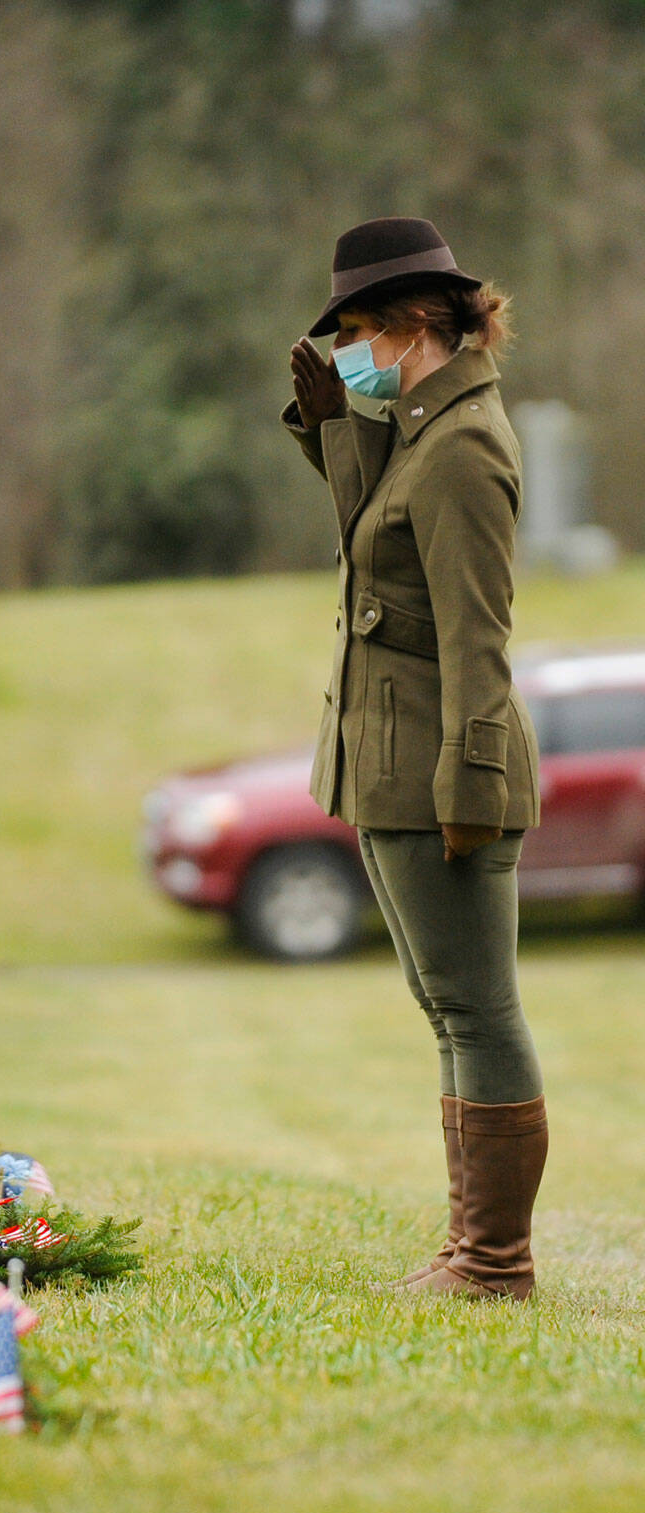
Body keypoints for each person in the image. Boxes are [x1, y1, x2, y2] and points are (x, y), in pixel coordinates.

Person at [282, 216, 547, 1300]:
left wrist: (470, 791)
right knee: (445, 1006)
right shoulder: (421, 430)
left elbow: (477, 636)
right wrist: (330, 427)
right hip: (388, 762)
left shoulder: (464, 447)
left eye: (354, 334)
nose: (347, 352)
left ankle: (494, 1263)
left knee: (476, 1010)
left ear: (406, 328)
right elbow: (374, 541)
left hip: (440, 770)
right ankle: (467, 1247)